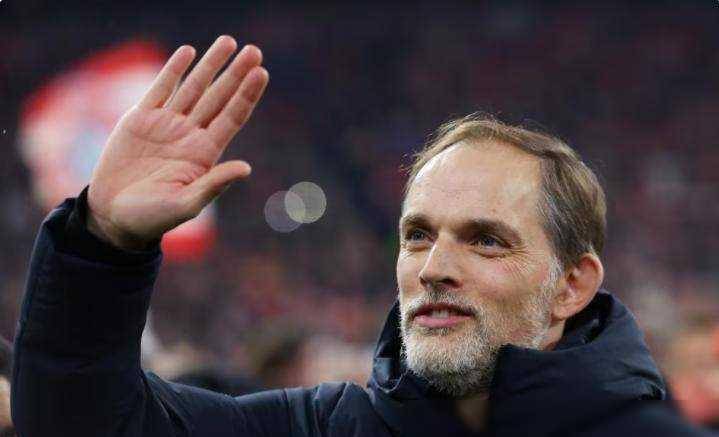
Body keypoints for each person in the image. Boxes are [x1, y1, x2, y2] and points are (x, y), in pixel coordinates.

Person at [11, 35, 712, 437]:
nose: (434, 267)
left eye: (485, 240)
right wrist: (101, 244)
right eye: (417, 235)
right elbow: (84, 425)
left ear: (571, 284)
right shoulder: (322, 426)